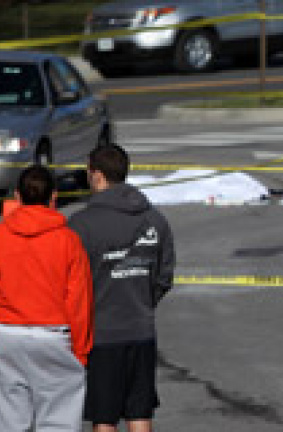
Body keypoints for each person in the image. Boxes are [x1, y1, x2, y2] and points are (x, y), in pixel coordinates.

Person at [69, 145, 175, 432]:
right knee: (139, 412)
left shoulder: (81, 224)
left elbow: (71, 280)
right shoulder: (155, 219)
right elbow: (164, 276)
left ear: (97, 175)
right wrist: (142, 302)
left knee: (105, 417)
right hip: (141, 330)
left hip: (102, 334)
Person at [0, 165, 93, 431]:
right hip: (52, 335)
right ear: (53, 197)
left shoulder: (2, 236)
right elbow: (79, 300)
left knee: (9, 420)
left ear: (17, 197)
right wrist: (81, 351)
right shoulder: (68, 240)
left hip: (6, 334)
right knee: (58, 420)